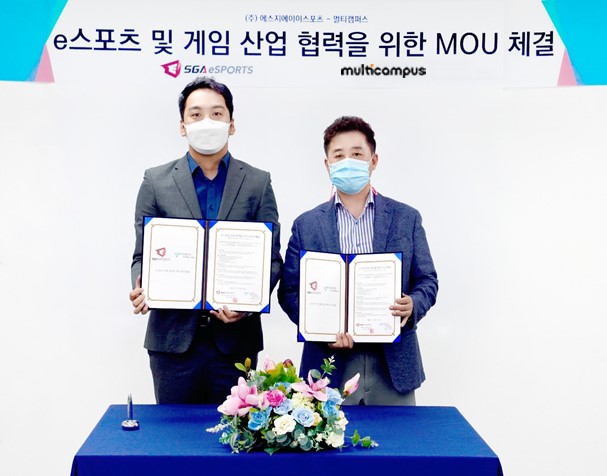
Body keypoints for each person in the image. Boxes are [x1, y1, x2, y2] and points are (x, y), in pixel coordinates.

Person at [129, 77, 283, 404]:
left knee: (234, 434)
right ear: (182, 126)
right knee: (174, 433)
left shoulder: (257, 183)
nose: (207, 122)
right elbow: (142, 255)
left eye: (216, 113)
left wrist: (247, 306)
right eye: (196, 114)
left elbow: (271, 260)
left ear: (231, 124)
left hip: (235, 343)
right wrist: (142, 283)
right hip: (171, 342)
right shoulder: (155, 181)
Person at [278, 116, 438, 405]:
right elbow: (289, 292)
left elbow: (427, 281)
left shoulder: (406, 218)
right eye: (339, 155)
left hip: (393, 365)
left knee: (397, 435)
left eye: (357, 154)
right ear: (327, 164)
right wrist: (319, 327)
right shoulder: (307, 225)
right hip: (329, 365)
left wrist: (413, 304)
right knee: (331, 436)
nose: (347, 162)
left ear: (373, 161)